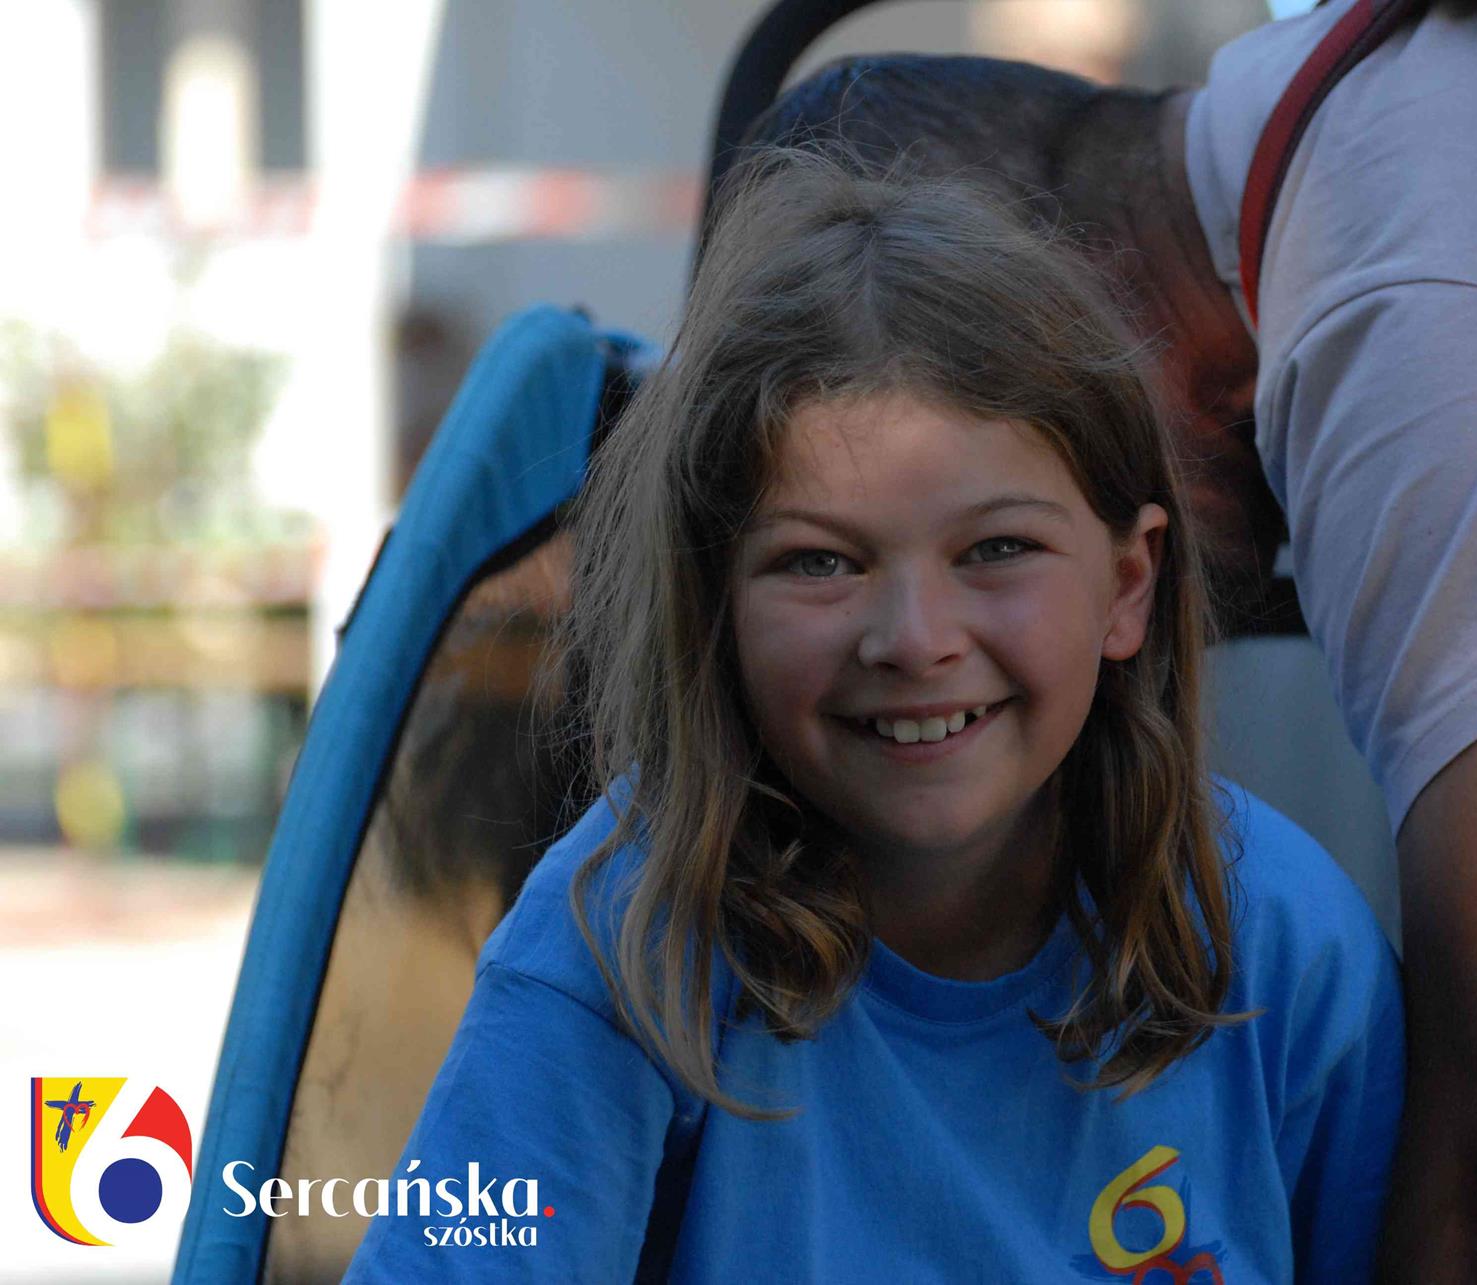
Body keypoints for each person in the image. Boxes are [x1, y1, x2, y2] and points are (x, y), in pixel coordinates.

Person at [738, 2, 1477, 1277]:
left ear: (1065, 332)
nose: (925, 631)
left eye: (992, 529)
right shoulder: (1351, 114)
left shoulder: (1413, 353)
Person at [343, 151, 1403, 1281]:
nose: (912, 637)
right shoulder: (624, 943)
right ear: (714, 607)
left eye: (997, 548)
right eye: (820, 562)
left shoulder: (1282, 950)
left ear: (1127, 584)